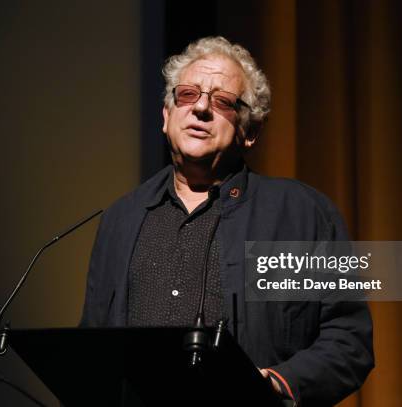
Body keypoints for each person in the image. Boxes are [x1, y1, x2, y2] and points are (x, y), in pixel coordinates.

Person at [80, 36, 374, 406]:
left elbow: (348, 338)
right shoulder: (121, 219)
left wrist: (277, 384)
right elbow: (92, 345)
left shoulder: (303, 214)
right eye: (187, 94)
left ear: (250, 132)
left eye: (222, 102)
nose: (201, 107)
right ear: (166, 115)